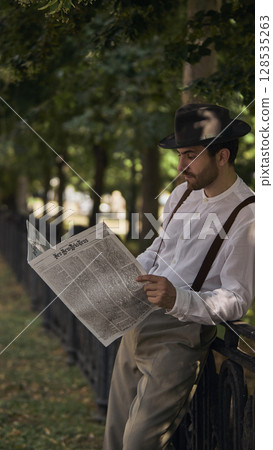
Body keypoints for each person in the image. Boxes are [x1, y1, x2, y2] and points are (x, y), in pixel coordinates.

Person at [103, 104, 255, 450]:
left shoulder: (249, 216)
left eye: (189, 155)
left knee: (138, 443)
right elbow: (158, 250)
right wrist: (126, 271)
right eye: (179, 155)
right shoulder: (182, 193)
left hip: (178, 337)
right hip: (137, 322)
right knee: (114, 438)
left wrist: (177, 299)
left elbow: (238, 297)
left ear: (222, 156)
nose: (180, 166)